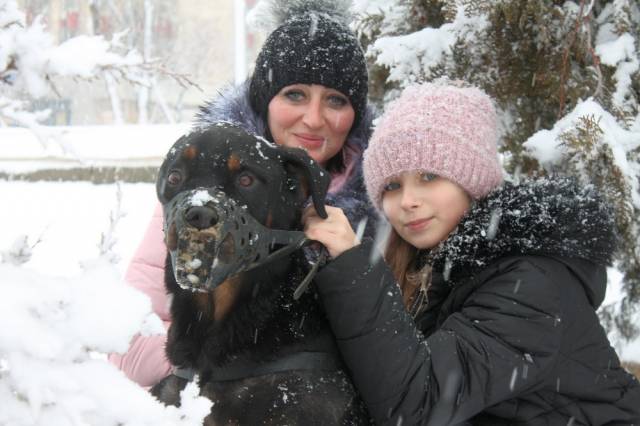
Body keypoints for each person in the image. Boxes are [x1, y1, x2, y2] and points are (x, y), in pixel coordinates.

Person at [303, 82, 640, 425]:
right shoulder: (428, 270)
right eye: (392, 185)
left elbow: (419, 403)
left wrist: (352, 268)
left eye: (429, 176)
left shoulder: (530, 281)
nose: (407, 200)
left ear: (472, 181)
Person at [109, 1, 376, 387]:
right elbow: (128, 348)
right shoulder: (198, 194)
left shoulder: (389, 199)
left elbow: (391, 361)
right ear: (266, 99)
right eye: (295, 94)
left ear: (356, 113)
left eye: (336, 100)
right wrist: (233, 370)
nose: (314, 118)